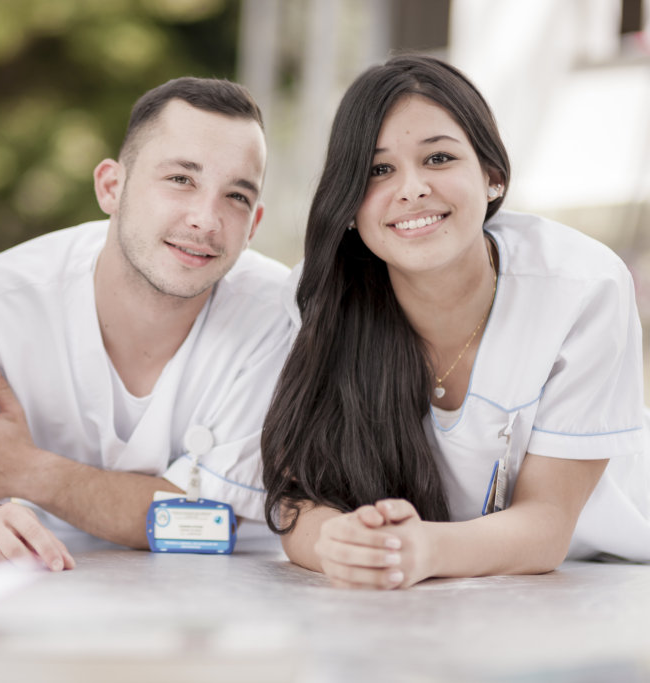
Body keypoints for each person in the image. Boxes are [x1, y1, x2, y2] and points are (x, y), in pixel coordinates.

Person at [261, 54, 650, 589]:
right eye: (378, 170)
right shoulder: (321, 293)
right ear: (349, 203)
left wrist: (418, 549)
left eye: (439, 158)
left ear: (492, 176)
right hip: (444, 588)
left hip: (608, 579)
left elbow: (547, 527)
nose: (412, 188)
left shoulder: (582, 287)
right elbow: (299, 502)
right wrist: (342, 543)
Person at [0, 77, 294, 570]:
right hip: (46, 586)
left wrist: (28, 471)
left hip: (227, 598)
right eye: (181, 179)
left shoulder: (278, 320)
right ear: (111, 187)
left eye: (236, 197)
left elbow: (208, 522)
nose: (206, 218)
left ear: (254, 226)